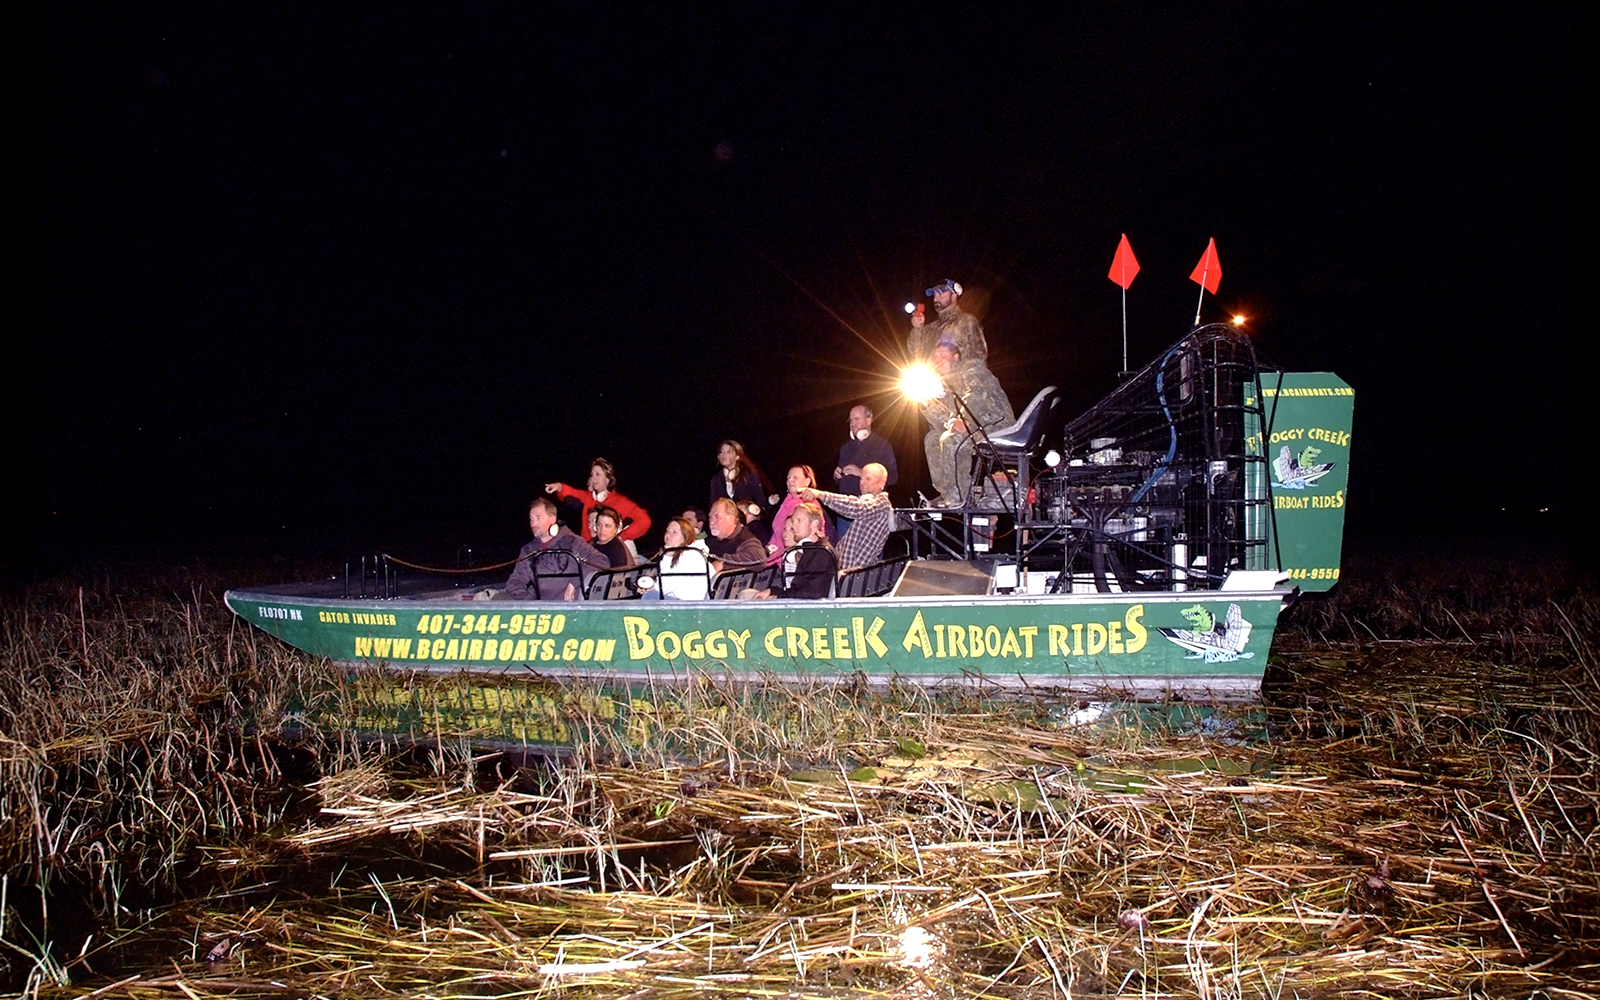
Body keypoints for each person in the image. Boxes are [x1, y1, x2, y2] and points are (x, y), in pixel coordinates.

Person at [922, 341, 1016, 507]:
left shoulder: (973, 368)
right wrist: (927, 405)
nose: (937, 359)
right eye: (935, 357)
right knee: (932, 439)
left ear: (956, 357)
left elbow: (976, 394)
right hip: (973, 426)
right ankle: (946, 493)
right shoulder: (943, 386)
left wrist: (964, 419)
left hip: (996, 423)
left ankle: (958, 496)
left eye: (943, 355)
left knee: (951, 439)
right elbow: (945, 422)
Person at [502, 497, 608, 600]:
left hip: (571, 607)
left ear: (552, 519)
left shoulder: (572, 542)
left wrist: (574, 583)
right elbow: (515, 582)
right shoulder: (528, 551)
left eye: (538, 518)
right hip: (543, 610)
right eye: (531, 519)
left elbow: (601, 561)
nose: (533, 524)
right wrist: (531, 603)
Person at [801, 462, 895, 571]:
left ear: (882, 483)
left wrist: (821, 495)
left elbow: (856, 507)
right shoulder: (867, 501)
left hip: (855, 575)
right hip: (843, 571)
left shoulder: (881, 504)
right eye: (861, 478)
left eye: (868, 479)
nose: (862, 483)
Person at [546, 458, 652, 543]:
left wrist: (621, 537)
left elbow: (645, 521)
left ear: (608, 478)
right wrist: (559, 486)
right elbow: (572, 493)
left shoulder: (621, 502)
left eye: (598, 474)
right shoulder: (588, 497)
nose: (593, 478)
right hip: (588, 551)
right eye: (592, 475)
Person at [754, 502, 837, 599]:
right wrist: (772, 590)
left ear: (814, 524)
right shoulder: (808, 549)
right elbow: (797, 588)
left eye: (799, 520)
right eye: (793, 521)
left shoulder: (822, 553)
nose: (794, 526)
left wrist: (778, 596)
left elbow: (812, 593)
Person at [908, 278, 988, 365]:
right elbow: (915, 352)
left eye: (941, 294)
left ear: (953, 296)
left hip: (956, 377)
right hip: (932, 377)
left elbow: (978, 358)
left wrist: (959, 376)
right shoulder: (931, 328)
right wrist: (918, 329)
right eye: (935, 294)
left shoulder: (966, 321)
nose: (936, 298)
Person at [709, 440, 775, 544]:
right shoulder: (716, 480)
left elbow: (762, 505)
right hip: (726, 529)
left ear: (737, 456)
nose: (723, 455)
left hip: (748, 528)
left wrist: (752, 513)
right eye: (721, 452)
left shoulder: (749, 477)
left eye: (729, 452)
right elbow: (713, 505)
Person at [834, 405, 899, 496]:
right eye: (851, 420)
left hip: (870, 504)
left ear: (868, 421)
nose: (852, 424)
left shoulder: (882, 446)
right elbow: (840, 477)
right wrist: (837, 475)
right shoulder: (845, 448)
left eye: (856, 419)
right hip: (847, 504)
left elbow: (892, 478)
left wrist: (861, 473)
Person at [642, 517, 710, 600]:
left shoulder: (690, 555)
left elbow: (665, 587)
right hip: (685, 600)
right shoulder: (689, 551)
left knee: (649, 596)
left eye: (675, 532)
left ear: (685, 537)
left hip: (689, 604)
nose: (668, 535)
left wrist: (650, 587)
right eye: (667, 531)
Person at [767, 464, 822, 565]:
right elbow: (776, 532)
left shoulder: (808, 506)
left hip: (795, 561)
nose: (790, 481)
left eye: (795, 477)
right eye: (788, 478)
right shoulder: (786, 502)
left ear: (807, 481)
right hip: (777, 558)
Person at [704, 496, 767, 573]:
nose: (711, 522)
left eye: (717, 517)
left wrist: (723, 563)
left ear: (731, 519)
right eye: (710, 517)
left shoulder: (745, 539)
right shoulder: (710, 540)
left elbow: (759, 560)